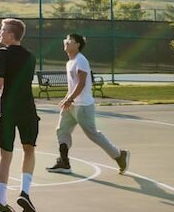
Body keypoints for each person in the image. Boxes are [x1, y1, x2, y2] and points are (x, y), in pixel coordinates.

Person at [46, 33, 129, 176]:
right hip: (71, 104)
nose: (66, 42)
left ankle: (119, 155)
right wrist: (67, 98)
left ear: (77, 44)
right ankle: (64, 162)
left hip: (83, 105)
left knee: (93, 134)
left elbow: (81, 83)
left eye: (70, 41)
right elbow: (72, 85)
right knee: (62, 130)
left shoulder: (81, 60)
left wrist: (70, 99)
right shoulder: (70, 62)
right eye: (65, 40)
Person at [0, 18, 39, 212]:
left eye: (3, 29)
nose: (0, 32)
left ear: (11, 34)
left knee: (5, 156)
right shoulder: (31, 56)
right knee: (29, 150)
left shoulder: (2, 53)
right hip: (27, 108)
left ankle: (2, 203)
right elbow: (19, 83)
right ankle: (25, 191)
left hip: (8, 109)